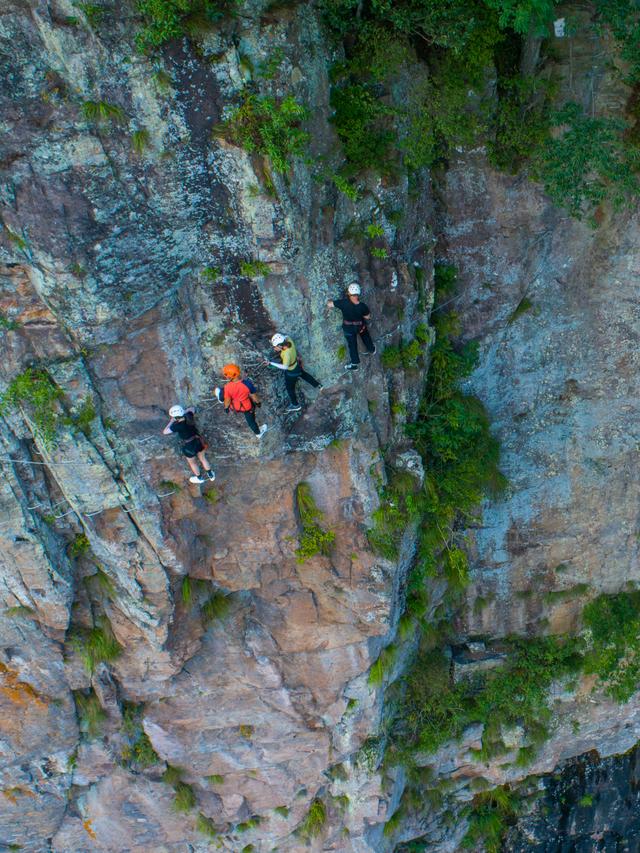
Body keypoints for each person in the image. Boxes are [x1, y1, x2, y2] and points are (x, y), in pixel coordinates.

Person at [265, 333, 322, 413]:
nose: (274, 348)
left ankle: (295, 405)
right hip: (296, 366)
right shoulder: (289, 341)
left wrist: (271, 363)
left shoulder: (286, 353)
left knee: (290, 388)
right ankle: (318, 385)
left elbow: (285, 367)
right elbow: (287, 336)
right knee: (304, 375)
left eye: (275, 347)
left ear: (280, 345)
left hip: (291, 372)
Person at [327, 283, 376, 370]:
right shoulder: (362, 306)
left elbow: (330, 304)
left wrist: (329, 302)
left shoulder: (343, 303)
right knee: (365, 335)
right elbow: (367, 317)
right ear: (358, 294)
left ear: (349, 293)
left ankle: (354, 364)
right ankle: (371, 349)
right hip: (360, 327)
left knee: (352, 345)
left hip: (349, 329)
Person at [162, 405, 215, 484]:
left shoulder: (177, 426)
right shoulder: (189, 416)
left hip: (189, 446)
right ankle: (211, 475)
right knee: (203, 459)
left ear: (175, 417)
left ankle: (199, 478)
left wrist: (171, 421)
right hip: (198, 441)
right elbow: (192, 408)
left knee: (192, 463)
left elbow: (165, 432)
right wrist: (184, 412)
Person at [214, 364, 268, 438]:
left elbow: (228, 400)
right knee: (251, 421)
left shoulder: (227, 387)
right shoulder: (247, 384)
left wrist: (226, 408)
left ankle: (220, 397)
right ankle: (258, 433)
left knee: (223, 391)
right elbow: (254, 396)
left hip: (236, 406)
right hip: (247, 407)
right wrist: (258, 403)